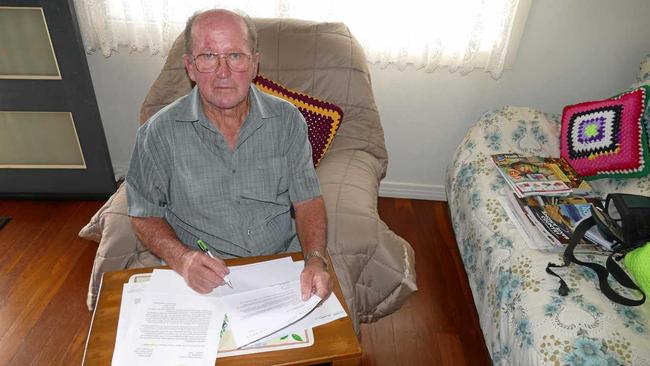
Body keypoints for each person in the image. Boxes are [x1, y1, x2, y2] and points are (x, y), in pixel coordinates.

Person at [125, 9, 332, 302]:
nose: (223, 71)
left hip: (281, 269)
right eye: (208, 56)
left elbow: (307, 199)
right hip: (201, 278)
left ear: (254, 64)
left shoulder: (288, 120)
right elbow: (143, 213)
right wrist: (182, 259)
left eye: (235, 56)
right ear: (190, 67)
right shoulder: (157, 133)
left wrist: (314, 260)